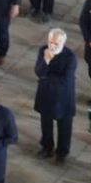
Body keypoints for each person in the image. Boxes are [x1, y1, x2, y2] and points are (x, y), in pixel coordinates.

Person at [33, 28, 77, 163]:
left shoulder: (70, 57)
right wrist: (46, 61)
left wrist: (47, 78)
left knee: (64, 126)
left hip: (63, 98)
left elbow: (65, 80)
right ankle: (47, 147)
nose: (52, 46)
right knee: (45, 123)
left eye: (56, 44)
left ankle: (62, 153)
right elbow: (38, 72)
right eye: (50, 42)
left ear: (63, 43)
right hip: (45, 95)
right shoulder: (43, 51)